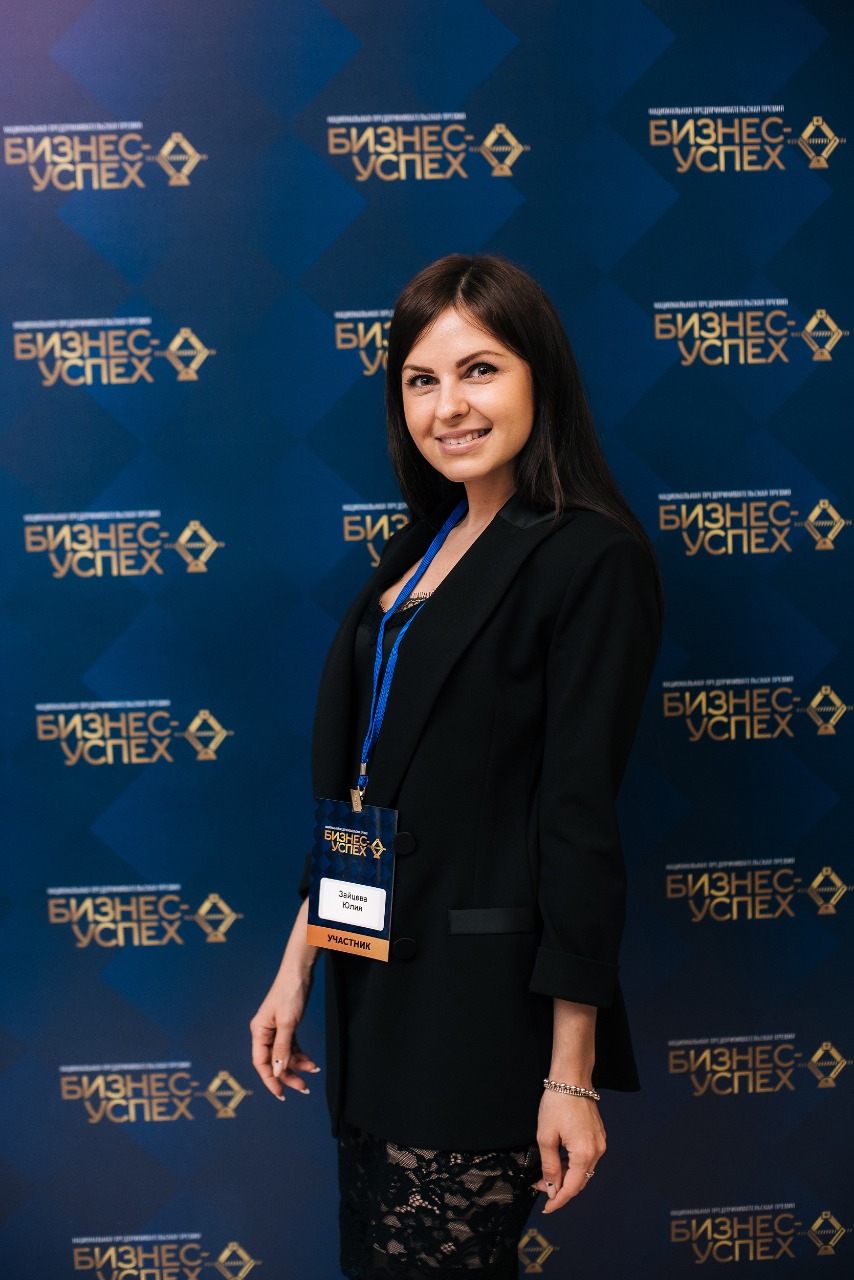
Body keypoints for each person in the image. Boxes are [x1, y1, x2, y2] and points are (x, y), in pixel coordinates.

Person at [250, 254, 662, 1278]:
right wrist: (297, 965)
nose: (448, 407)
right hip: (373, 997)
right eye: (420, 380)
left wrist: (570, 1074)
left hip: (479, 1013)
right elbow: (370, 784)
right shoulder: (420, 548)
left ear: (539, 375)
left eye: (480, 370)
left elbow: (575, 819)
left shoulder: (590, 558)